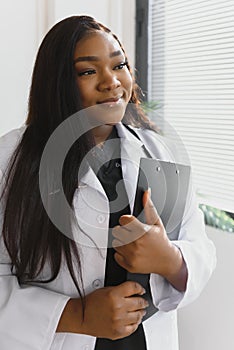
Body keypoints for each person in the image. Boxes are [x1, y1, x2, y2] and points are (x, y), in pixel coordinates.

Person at [0, 15, 216, 350]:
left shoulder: (160, 153)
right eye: (88, 71)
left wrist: (169, 259)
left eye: (120, 65)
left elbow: (200, 247)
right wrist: (74, 315)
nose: (111, 82)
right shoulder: (10, 161)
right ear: (56, 83)